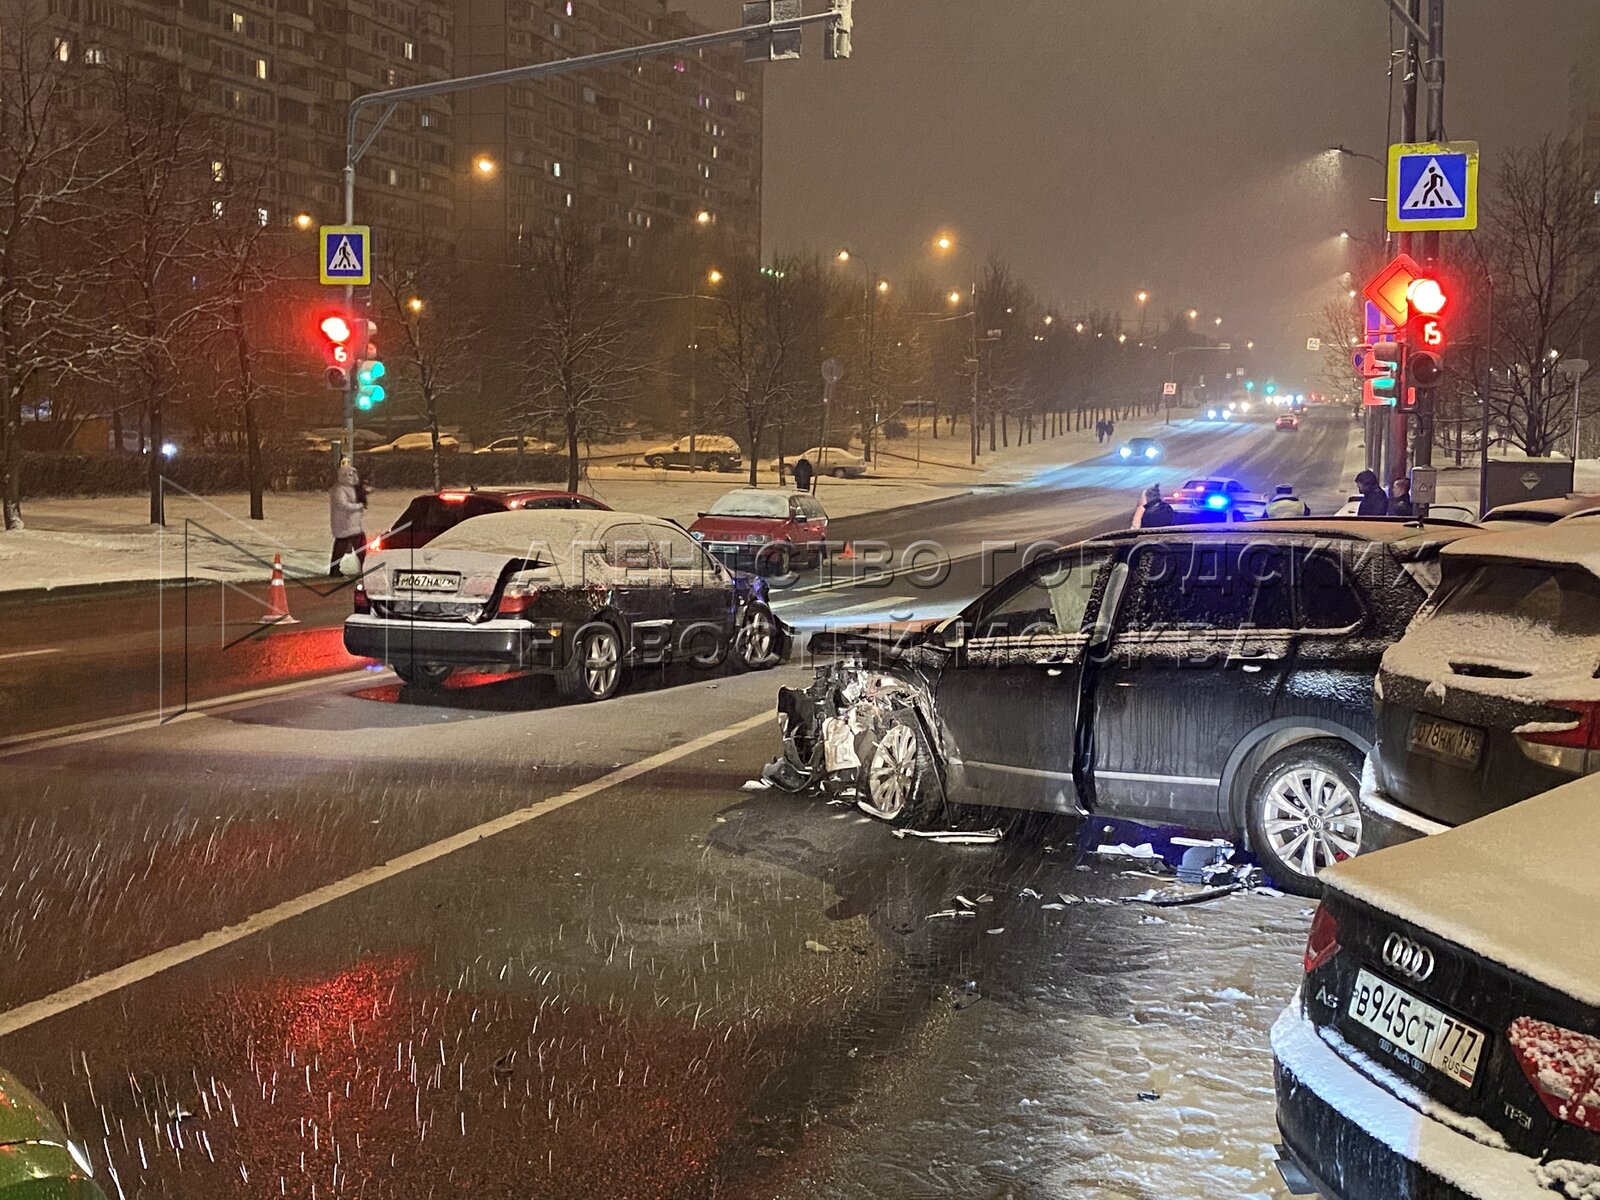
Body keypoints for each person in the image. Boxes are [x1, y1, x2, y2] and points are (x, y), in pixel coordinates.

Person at [329, 459, 368, 575]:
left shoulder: (353, 488)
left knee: (360, 547)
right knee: (342, 547)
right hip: (344, 524)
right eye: (349, 475)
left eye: (353, 474)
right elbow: (342, 504)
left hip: (354, 524)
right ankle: (335, 569)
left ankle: (364, 567)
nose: (351, 477)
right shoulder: (339, 489)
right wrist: (358, 506)